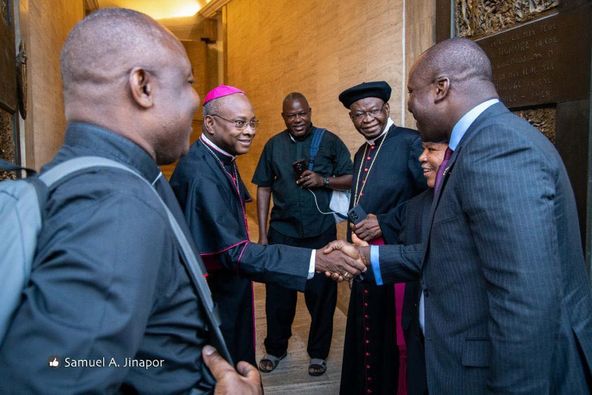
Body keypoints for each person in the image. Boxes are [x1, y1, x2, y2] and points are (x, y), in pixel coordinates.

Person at [0, 8, 261, 393]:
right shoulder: (116, 206)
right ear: (142, 86)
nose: (193, 101)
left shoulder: (78, 176)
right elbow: (55, 376)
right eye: (187, 82)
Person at [347, 37, 592, 394]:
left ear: (441, 88)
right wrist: (373, 257)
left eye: (413, 92)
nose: (410, 105)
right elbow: (460, 252)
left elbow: (524, 299)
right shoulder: (480, 142)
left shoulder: (498, 146)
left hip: (493, 376)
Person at [170, 85, 365, 367]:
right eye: (239, 123)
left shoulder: (218, 158)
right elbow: (234, 252)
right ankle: (275, 348)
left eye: (252, 122)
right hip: (215, 294)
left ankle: (317, 354)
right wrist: (316, 259)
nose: (249, 131)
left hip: (311, 233)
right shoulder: (202, 174)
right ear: (210, 123)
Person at [252, 92, 353, 375]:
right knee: (278, 297)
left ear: (310, 111)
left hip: (321, 234)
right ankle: (275, 348)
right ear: (284, 117)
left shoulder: (329, 141)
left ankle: (318, 354)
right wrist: (262, 234)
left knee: (322, 297)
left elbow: (352, 176)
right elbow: (263, 187)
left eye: (302, 114)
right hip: (283, 233)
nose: (297, 120)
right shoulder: (274, 146)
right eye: (291, 115)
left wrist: (324, 180)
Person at [337, 81, 426, 395]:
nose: (366, 119)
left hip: (394, 260)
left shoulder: (410, 142)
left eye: (373, 110)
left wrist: (385, 223)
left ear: (387, 109)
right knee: (367, 332)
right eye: (358, 114)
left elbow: (427, 200)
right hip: (365, 261)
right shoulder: (362, 151)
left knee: (390, 336)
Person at [358, 139, 448, 395]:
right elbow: (390, 223)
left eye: (431, 150)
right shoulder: (417, 204)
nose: (421, 157)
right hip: (417, 331)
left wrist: (363, 256)